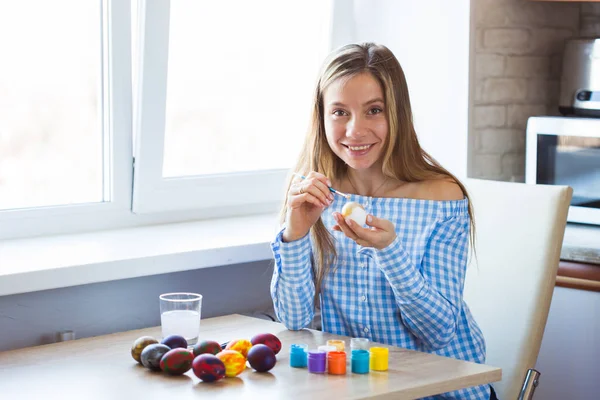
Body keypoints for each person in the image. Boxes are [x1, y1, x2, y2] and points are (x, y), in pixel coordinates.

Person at [269, 42, 496, 400]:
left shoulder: (441, 197)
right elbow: (293, 320)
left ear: (397, 114)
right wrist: (294, 233)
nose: (355, 131)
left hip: (441, 393)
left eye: (373, 110)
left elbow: (438, 332)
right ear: (322, 116)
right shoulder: (313, 192)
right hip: (356, 390)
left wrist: (390, 251)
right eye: (340, 112)